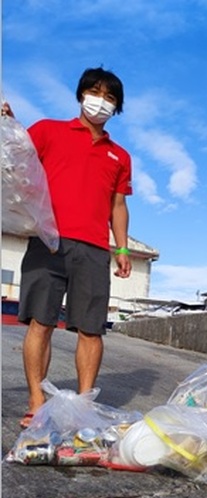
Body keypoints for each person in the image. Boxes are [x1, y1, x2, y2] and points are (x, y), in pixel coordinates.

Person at [6, 67, 133, 429]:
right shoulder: (48, 130)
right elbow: (18, 159)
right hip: (48, 240)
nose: (101, 102)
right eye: (95, 92)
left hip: (94, 248)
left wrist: (121, 250)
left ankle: (84, 404)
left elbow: (118, 205)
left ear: (116, 107)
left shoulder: (120, 156)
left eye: (110, 98)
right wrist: (11, 124)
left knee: (91, 330)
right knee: (41, 324)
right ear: (80, 95)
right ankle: (36, 402)